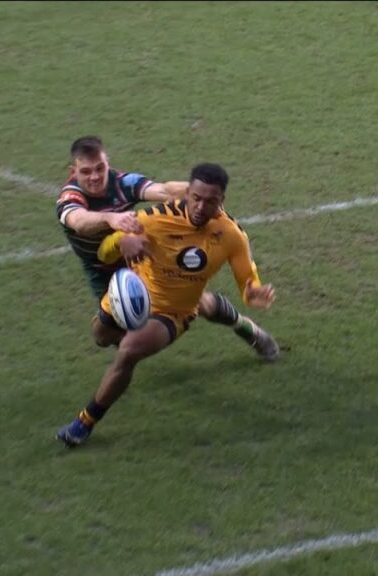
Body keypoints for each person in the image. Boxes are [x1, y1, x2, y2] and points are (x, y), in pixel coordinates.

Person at [57, 163, 277, 447]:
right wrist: (122, 243)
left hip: (173, 312)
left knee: (128, 352)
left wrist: (253, 293)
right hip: (135, 295)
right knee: (101, 336)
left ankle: (84, 423)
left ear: (221, 200)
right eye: (195, 198)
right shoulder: (155, 219)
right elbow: (104, 248)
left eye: (210, 201)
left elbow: (248, 280)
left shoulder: (232, 236)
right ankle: (235, 320)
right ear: (187, 193)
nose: (200, 207)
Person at [56, 136, 279, 360]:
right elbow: (78, 221)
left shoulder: (123, 183)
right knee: (104, 336)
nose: (95, 176)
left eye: (100, 168)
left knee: (182, 307)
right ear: (73, 170)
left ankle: (247, 329)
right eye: (85, 171)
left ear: (108, 162)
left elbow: (163, 190)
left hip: (140, 259)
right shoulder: (70, 196)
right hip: (102, 269)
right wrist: (110, 219)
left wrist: (199, 192)